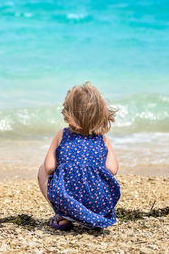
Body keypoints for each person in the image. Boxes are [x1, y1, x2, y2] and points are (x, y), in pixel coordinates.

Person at [37, 82, 120, 231]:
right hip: (98, 204)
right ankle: (93, 215)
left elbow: (49, 168)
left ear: (69, 112)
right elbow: (112, 170)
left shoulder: (61, 135)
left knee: (42, 171)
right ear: (100, 113)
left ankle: (62, 217)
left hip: (66, 201)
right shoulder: (103, 140)